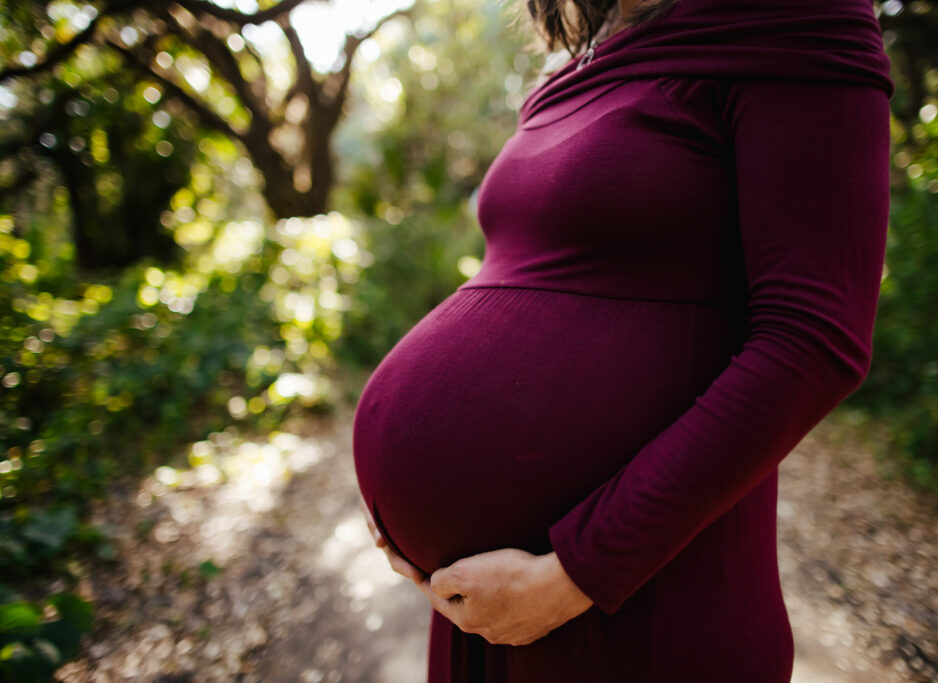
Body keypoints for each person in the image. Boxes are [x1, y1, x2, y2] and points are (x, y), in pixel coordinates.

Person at [352, 0, 894, 680]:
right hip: (485, 606)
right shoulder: (582, 60)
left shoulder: (791, 18)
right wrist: (413, 508)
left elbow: (814, 339)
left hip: (632, 601)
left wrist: (578, 571)